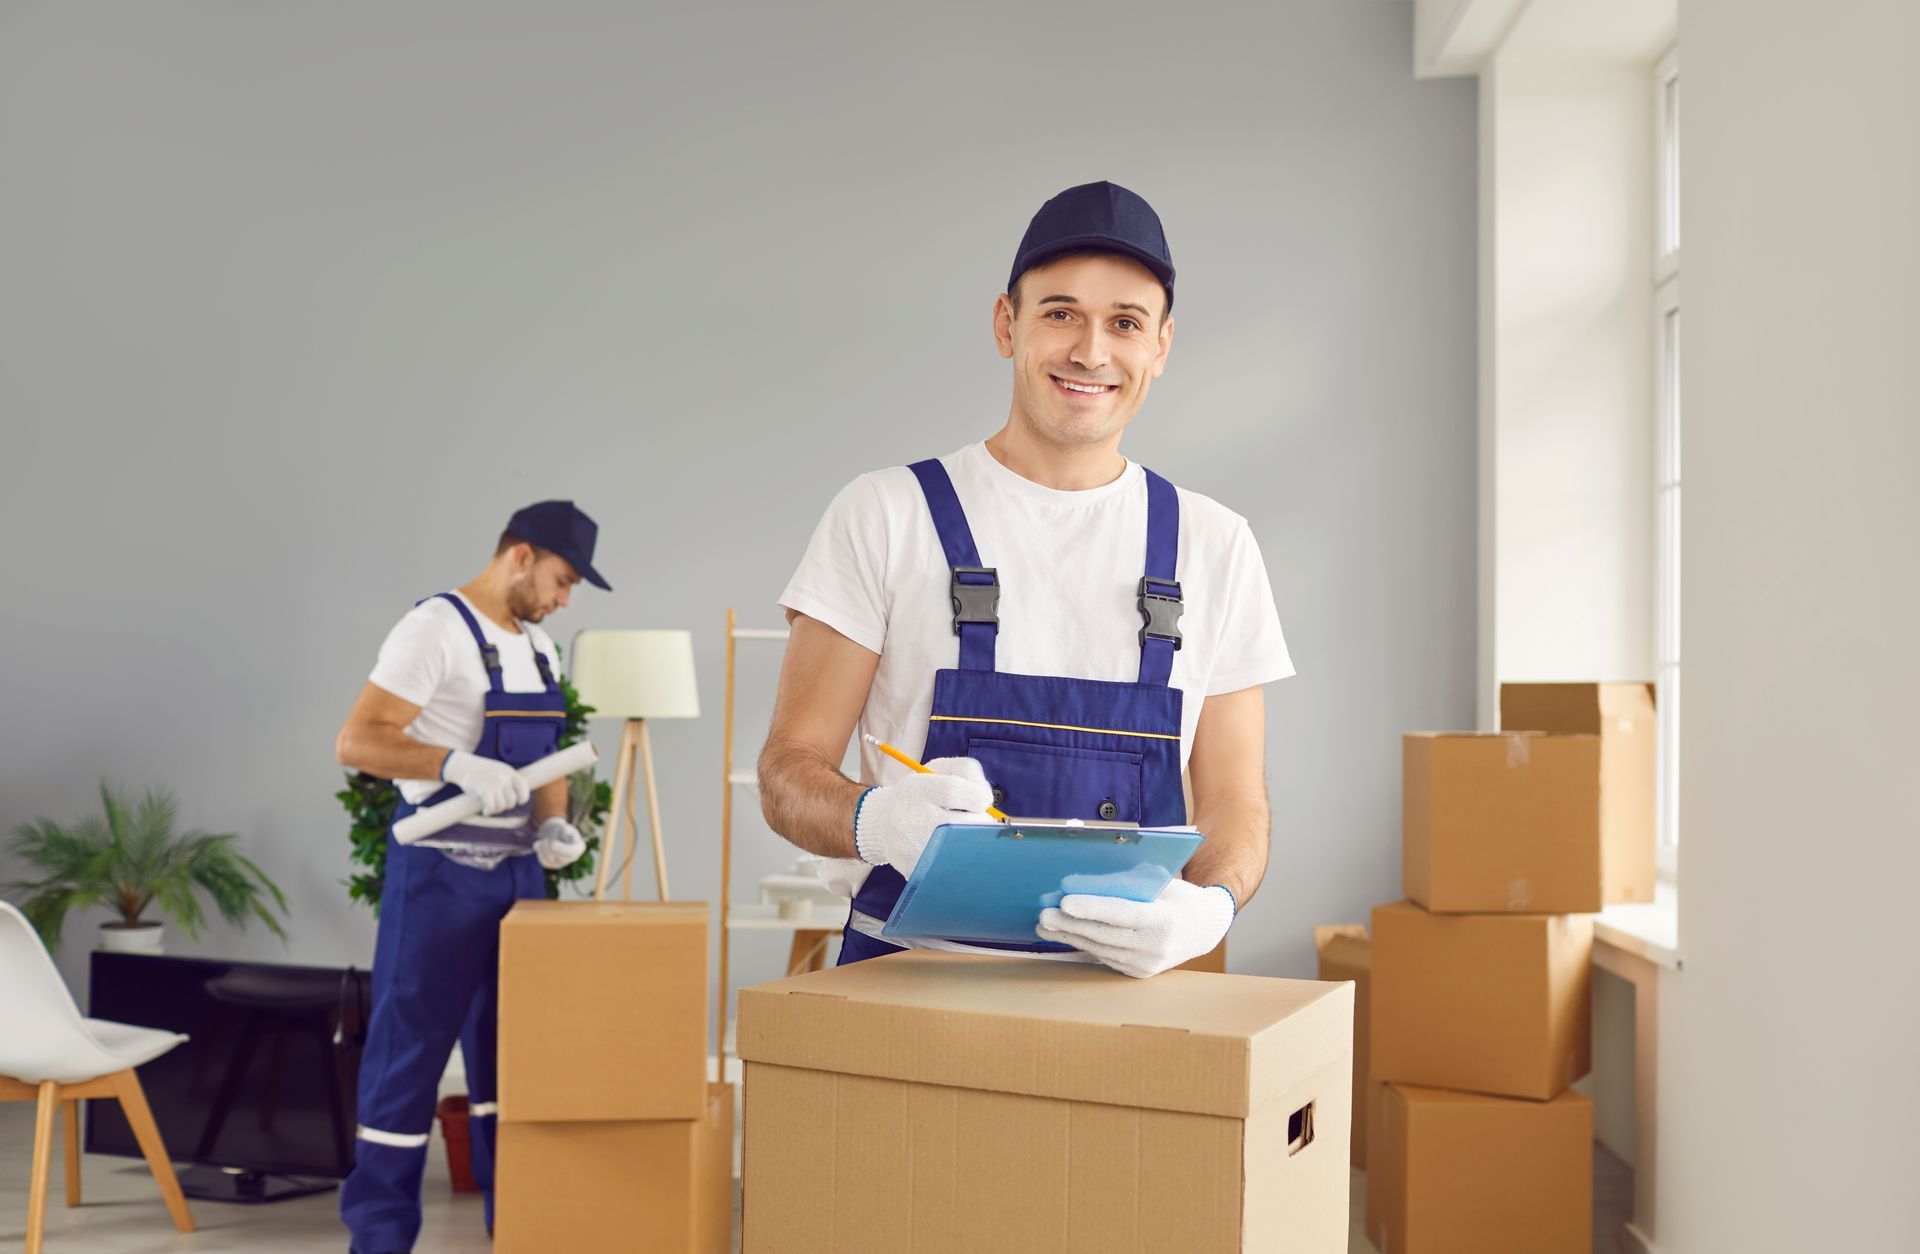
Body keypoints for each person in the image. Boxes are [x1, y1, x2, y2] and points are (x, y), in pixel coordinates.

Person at [759, 181, 1293, 978]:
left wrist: (1211, 905)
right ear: (1008, 324)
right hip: (906, 984)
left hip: (1123, 1002)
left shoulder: (1215, 545)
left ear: (1162, 347)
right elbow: (787, 770)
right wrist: (878, 820)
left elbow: (1235, 804)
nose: (1091, 351)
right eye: (1060, 313)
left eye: (1125, 324)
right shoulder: (886, 514)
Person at [333, 500, 608, 1254]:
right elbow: (358, 741)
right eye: (560, 579)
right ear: (519, 556)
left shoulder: (541, 649)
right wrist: (452, 762)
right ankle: (380, 1239)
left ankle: (511, 1231)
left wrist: (556, 827)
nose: (562, 598)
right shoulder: (435, 631)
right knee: (407, 1057)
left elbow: (550, 755)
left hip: (519, 879)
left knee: (511, 1062)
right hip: (440, 874)